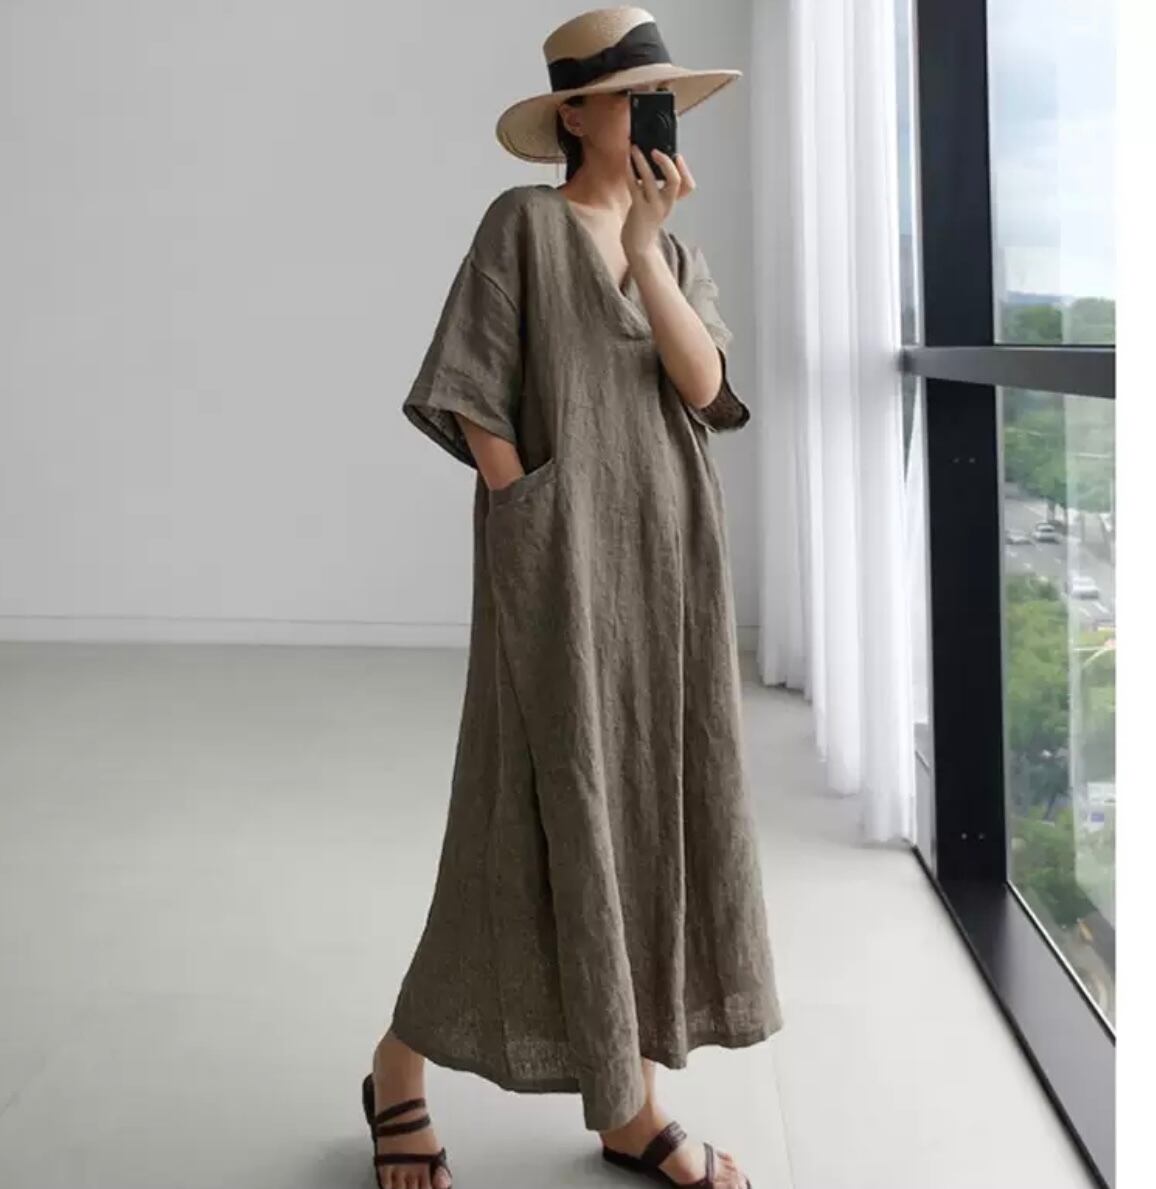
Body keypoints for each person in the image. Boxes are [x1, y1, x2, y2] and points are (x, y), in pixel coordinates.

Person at [364, 8, 782, 1188]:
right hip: (557, 556)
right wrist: (526, 513)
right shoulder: (524, 222)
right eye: (639, 96)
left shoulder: (675, 256)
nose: (658, 115)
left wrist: (647, 246)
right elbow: (471, 389)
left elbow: (703, 388)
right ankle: (399, 1064)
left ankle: (630, 1104)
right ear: (576, 114)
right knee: (528, 813)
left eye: (668, 99)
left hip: (669, 559)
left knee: (651, 801)